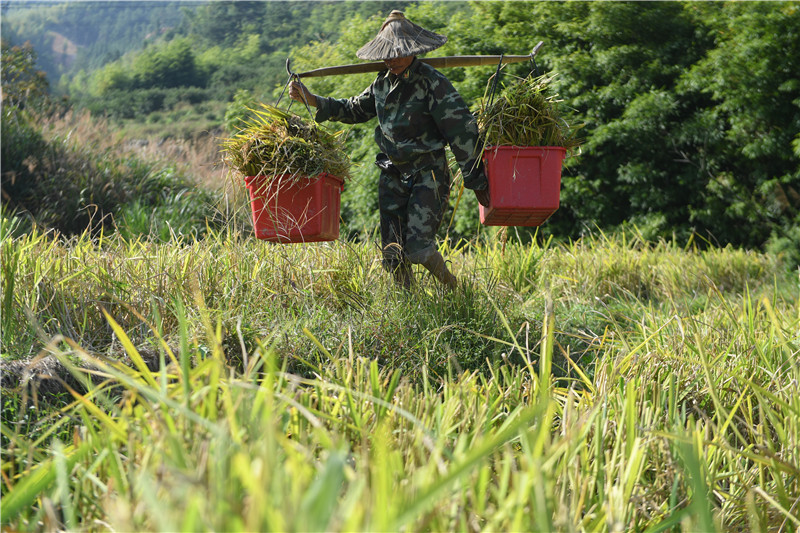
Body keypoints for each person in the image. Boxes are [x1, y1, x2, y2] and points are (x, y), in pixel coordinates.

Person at [289, 10, 490, 290]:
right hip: (392, 174)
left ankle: (454, 290)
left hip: (427, 173)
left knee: (418, 249)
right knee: (393, 254)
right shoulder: (382, 83)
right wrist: (311, 99)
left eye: (397, 53)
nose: (391, 59)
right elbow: (353, 109)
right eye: (386, 54)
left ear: (412, 50)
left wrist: (476, 180)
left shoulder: (432, 83)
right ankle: (409, 306)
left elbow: (461, 130)